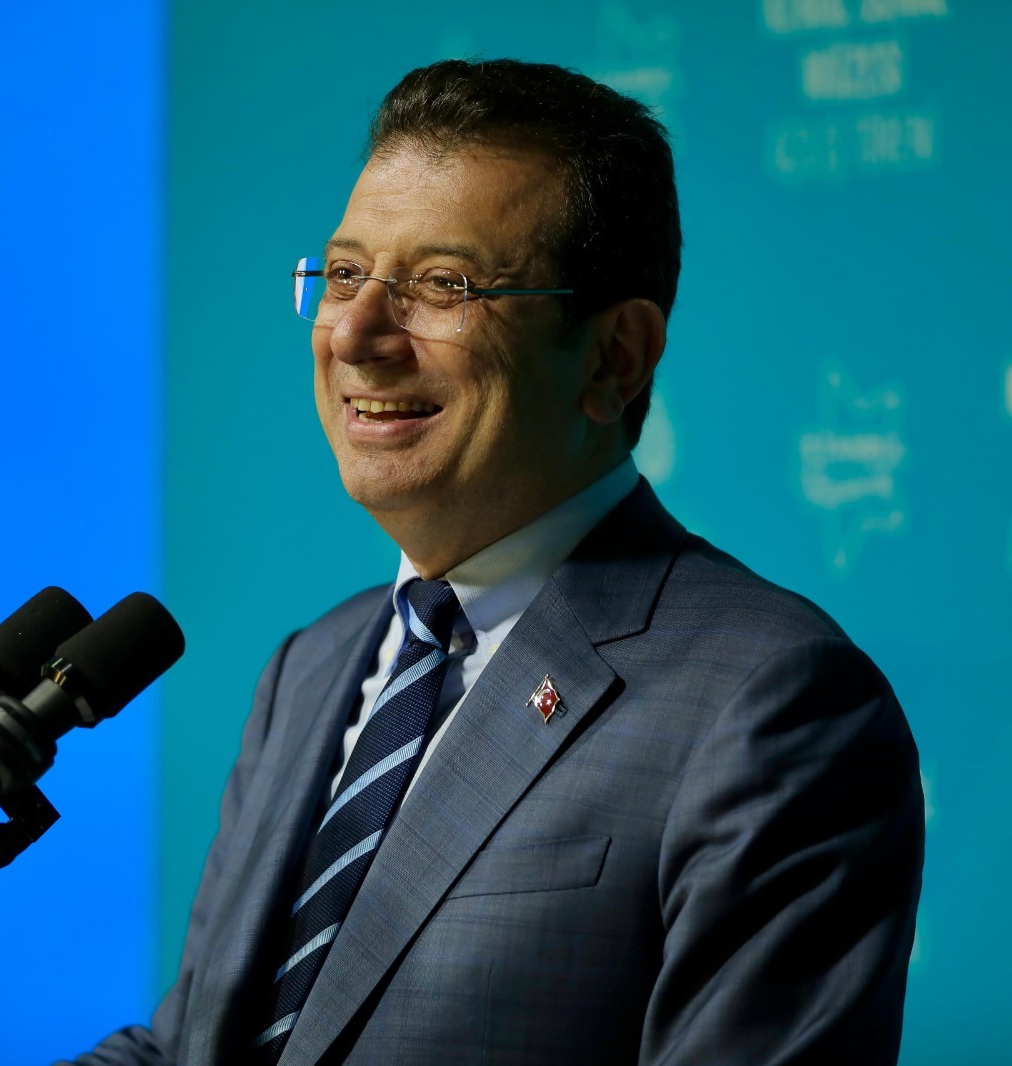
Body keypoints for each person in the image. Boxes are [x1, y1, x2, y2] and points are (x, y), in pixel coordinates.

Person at [71, 58, 923, 1065]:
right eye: (342, 275)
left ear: (613, 356)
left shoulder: (769, 701)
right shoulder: (312, 667)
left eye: (444, 284)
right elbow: (190, 1048)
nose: (355, 333)